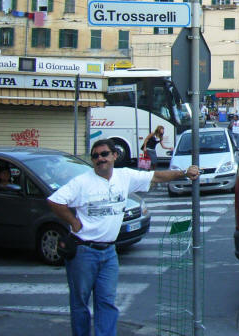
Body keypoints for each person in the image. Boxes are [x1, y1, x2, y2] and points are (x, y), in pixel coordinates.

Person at [48, 138, 199, 336]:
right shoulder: (82, 182)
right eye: (95, 156)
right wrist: (73, 222)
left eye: (104, 154)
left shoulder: (124, 176)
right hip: (84, 252)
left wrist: (184, 173)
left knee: (107, 302)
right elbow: (55, 201)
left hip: (109, 253)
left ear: (114, 155)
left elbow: (155, 176)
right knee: (80, 303)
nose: (100, 159)